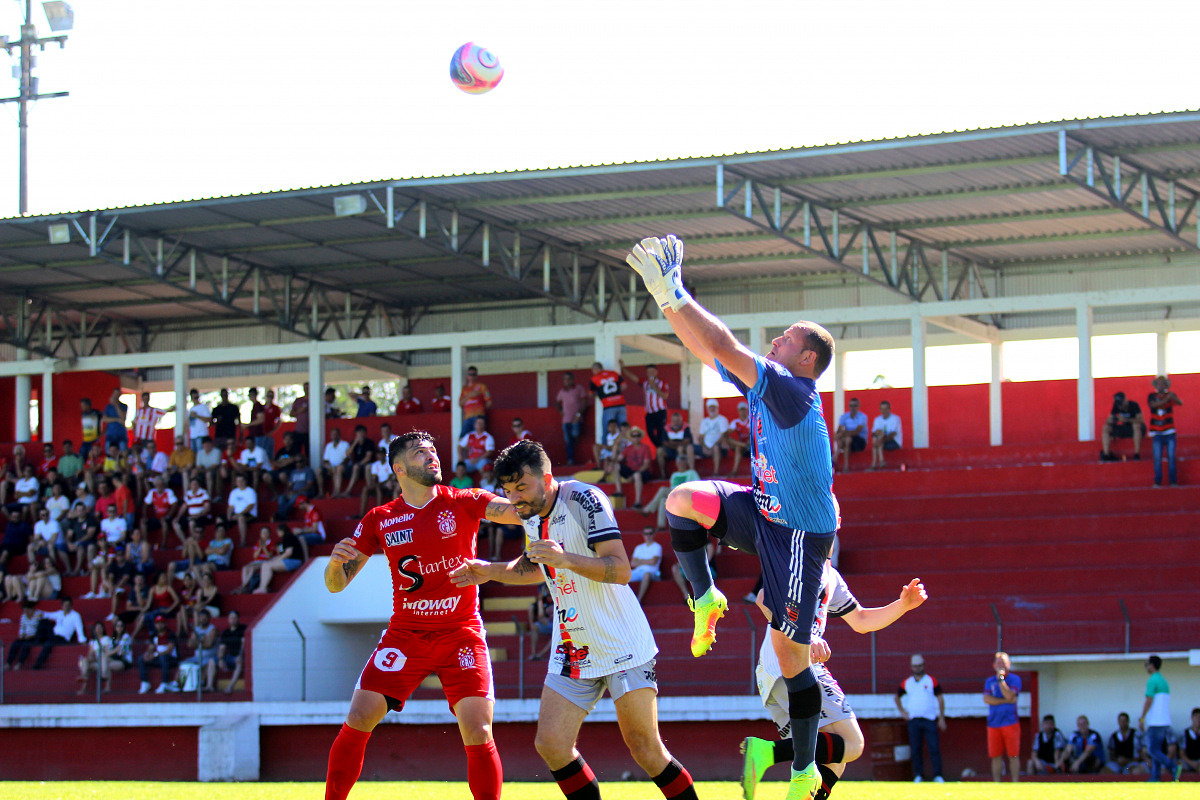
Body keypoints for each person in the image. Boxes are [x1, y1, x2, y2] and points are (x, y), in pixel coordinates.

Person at [626, 234, 839, 798]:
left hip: (798, 534)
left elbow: (723, 339)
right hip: (764, 510)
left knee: (792, 659)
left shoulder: (794, 391)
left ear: (807, 358)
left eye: (786, 338)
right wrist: (667, 302)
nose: (776, 340)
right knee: (680, 501)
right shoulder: (769, 387)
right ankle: (706, 597)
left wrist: (675, 288)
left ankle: (803, 769)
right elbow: (708, 350)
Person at [451, 439, 701, 800]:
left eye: (522, 487)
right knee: (551, 744)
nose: (515, 498)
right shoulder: (529, 513)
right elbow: (535, 568)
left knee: (646, 750)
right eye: (508, 490)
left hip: (622, 643)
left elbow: (620, 569)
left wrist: (566, 559)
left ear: (547, 477)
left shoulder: (585, 499)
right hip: (572, 647)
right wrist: (489, 570)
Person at [322, 430, 521, 800]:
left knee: (478, 731)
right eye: (419, 453)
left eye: (433, 450)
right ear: (398, 468)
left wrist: (544, 500)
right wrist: (335, 564)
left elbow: (514, 512)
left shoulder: (465, 499)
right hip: (405, 636)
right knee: (359, 717)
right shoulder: (380, 519)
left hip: (461, 632)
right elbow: (335, 585)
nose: (432, 456)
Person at [741, 563, 929, 800]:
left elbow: (860, 619)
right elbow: (764, 598)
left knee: (833, 761)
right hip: (791, 659)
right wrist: (806, 635)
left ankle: (769, 758)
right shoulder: (802, 557)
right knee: (852, 744)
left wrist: (903, 605)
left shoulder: (829, 573)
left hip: (775, 668)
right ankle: (766, 752)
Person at [895, 653, 945, 782]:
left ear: (923, 666)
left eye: (919, 666)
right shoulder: (907, 682)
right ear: (912, 667)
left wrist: (941, 717)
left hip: (929, 719)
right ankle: (918, 775)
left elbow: (940, 698)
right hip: (914, 720)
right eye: (915, 666)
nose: (917, 668)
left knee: (934, 747)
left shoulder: (930, 680)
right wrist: (902, 712)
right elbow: (897, 697)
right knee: (915, 748)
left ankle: (937, 775)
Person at [1140, 654, 1182, 781]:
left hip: (1155, 721)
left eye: (1147, 664)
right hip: (1164, 721)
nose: (1146, 667)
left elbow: (1149, 700)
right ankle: (1155, 777)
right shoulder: (1163, 681)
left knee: (1152, 750)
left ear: (1152, 665)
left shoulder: (1153, 680)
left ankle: (1173, 767)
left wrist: (1142, 718)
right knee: (1157, 751)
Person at [984, 651, 1021, 782]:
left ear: (1009, 665)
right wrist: (1005, 701)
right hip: (993, 723)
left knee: (1013, 755)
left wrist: (1001, 680)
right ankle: (997, 784)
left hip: (1010, 722)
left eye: (1003, 663)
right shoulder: (989, 681)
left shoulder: (1015, 679)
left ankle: (1015, 782)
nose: (1001, 666)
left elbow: (1010, 695)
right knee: (995, 755)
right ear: (994, 665)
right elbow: (987, 699)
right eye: (999, 663)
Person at [32, 596, 86, 670]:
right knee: (44, 621)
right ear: (62, 606)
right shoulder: (59, 613)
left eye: (68, 605)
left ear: (71, 606)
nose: (66, 607)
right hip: (54, 636)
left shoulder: (75, 615)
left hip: (63, 639)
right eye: (65, 605)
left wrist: (82, 640)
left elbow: (79, 628)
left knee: (48, 643)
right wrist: (40, 613)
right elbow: (48, 615)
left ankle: (38, 663)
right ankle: (37, 641)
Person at [1147, 375, 1182, 486]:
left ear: (1166, 385)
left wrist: (1173, 397)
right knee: (1157, 458)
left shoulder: (1170, 395)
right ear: (1156, 385)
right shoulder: (1152, 396)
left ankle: (1173, 481)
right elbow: (1154, 405)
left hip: (1169, 431)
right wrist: (1168, 398)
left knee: (1171, 457)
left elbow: (1180, 402)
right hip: (1157, 432)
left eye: (1163, 383)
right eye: (1159, 383)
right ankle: (1157, 481)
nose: (1161, 385)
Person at [252, 522, 304, 594]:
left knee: (267, 565)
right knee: (266, 564)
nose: (277, 534)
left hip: (294, 561)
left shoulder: (288, 537)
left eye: (278, 531)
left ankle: (263, 588)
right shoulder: (285, 538)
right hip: (290, 560)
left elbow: (289, 553)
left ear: (281, 530)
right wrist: (274, 559)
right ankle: (263, 587)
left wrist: (277, 560)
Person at [138, 616, 180, 694]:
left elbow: (169, 650)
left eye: (161, 623)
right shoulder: (154, 635)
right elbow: (151, 647)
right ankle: (145, 682)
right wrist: (147, 654)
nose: (159, 625)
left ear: (165, 624)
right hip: (158, 658)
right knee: (141, 659)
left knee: (163, 658)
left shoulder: (170, 634)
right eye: (157, 623)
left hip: (171, 659)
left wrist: (156, 654)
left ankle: (164, 683)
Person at [555, 371, 589, 465]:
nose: (567, 381)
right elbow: (557, 402)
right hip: (566, 420)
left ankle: (576, 441)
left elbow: (584, 402)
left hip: (576, 419)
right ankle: (570, 460)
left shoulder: (578, 388)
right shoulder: (562, 391)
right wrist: (560, 410)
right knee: (568, 442)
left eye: (569, 379)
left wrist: (579, 414)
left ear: (572, 379)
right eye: (565, 379)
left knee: (575, 434)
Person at [1101, 391, 1145, 461]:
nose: (1120, 406)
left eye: (1121, 404)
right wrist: (1114, 420)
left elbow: (1141, 420)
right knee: (1106, 428)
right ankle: (1106, 454)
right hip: (1124, 429)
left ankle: (1137, 454)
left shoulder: (1133, 405)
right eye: (1119, 405)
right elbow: (1108, 420)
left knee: (1136, 425)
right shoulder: (1116, 406)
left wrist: (1127, 420)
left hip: (1136, 430)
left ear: (1125, 400)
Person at [616, 426, 654, 509]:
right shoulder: (628, 448)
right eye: (633, 436)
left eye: (637, 435)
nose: (636, 437)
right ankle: (619, 490)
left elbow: (646, 464)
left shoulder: (645, 448)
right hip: (631, 471)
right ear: (631, 438)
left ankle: (638, 502)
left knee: (637, 475)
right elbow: (618, 458)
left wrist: (634, 474)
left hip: (644, 472)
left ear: (640, 437)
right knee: (616, 466)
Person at [4, 600, 44, 670]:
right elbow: (22, 627)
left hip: (34, 636)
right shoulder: (23, 616)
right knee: (15, 644)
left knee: (26, 646)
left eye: (27, 611)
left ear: (32, 609)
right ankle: (8, 663)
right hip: (25, 636)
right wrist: (21, 634)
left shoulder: (39, 614)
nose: (26, 613)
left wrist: (30, 635)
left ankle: (19, 663)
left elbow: (36, 626)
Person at [832, 398, 868, 473]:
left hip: (859, 441)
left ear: (858, 406)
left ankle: (836, 456)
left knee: (847, 439)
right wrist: (839, 435)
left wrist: (842, 434)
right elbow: (838, 431)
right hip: (847, 441)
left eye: (855, 405)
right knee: (846, 440)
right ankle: (845, 465)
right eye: (851, 405)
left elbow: (857, 432)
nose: (853, 407)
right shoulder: (844, 417)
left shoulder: (862, 417)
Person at [696, 399, 730, 477]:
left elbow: (724, 435)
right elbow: (700, 437)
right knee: (690, 448)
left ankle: (716, 472)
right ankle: (692, 472)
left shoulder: (722, 419)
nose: (712, 409)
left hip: (720, 447)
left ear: (717, 408)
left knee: (715, 447)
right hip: (706, 447)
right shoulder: (704, 421)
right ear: (707, 409)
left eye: (713, 407)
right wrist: (704, 447)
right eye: (710, 407)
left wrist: (713, 446)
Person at [629, 527, 663, 604]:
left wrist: (640, 561)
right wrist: (647, 561)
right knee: (623, 575)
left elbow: (653, 562)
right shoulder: (638, 547)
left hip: (652, 572)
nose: (648, 536)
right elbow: (633, 563)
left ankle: (639, 600)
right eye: (646, 534)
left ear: (654, 534)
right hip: (638, 571)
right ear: (643, 535)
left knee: (646, 575)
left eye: (650, 533)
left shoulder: (657, 546)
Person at [217, 609, 247, 694]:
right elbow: (222, 648)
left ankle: (230, 686)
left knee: (239, 661)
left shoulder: (243, 629)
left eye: (235, 618)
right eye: (231, 618)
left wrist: (240, 655)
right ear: (228, 620)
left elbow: (243, 644)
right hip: (229, 657)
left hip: (239, 656)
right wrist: (220, 659)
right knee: (211, 662)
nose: (233, 620)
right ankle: (209, 686)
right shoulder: (226, 632)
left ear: (238, 619)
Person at [459, 365, 492, 435]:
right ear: (467, 376)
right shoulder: (464, 389)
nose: (472, 376)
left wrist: (481, 411)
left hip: (479, 416)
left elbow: (489, 402)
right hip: (467, 417)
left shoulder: (482, 387)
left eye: (474, 375)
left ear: (476, 376)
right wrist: (469, 396)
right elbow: (460, 403)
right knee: (463, 438)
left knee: (479, 436)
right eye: (470, 374)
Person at [226, 474, 258, 546]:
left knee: (241, 518)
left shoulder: (250, 491)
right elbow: (231, 506)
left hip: (249, 514)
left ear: (245, 481)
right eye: (238, 481)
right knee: (220, 519)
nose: (239, 483)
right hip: (236, 514)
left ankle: (243, 541)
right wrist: (229, 515)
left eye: (241, 481)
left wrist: (239, 514)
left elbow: (251, 505)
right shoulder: (233, 492)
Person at [869, 401, 902, 470]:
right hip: (882, 441)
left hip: (894, 442)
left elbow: (892, 435)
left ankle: (874, 464)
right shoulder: (877, 419)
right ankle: (881, 460)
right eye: (882, 409)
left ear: (889, 409)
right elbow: (873, 433)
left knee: (877, 442)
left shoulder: (895, 419)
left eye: (885, 409)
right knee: (876, 439)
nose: (884, 411)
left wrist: (881, 440)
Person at [322, 427, 351, 498]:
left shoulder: (345, 444)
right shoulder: (328, 445)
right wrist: (329, 468)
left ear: (339, 435)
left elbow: (347, 459)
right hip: (331, 467)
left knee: (338, 468)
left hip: (344, 467)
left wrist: (338, 466)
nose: (334, 436)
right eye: (333, 434)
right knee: (319, 470)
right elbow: (326, 460)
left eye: (336, 434)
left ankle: (337, 492)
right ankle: (321, 493)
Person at [1180, 707, 1200, 773]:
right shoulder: (1185, 734)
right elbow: (1181, 753)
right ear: (1192, 718)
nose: (1198, 720)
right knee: (1178, 766)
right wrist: (1191, 763)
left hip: (1198, 762)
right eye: (1196, 717)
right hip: (1187, 761)